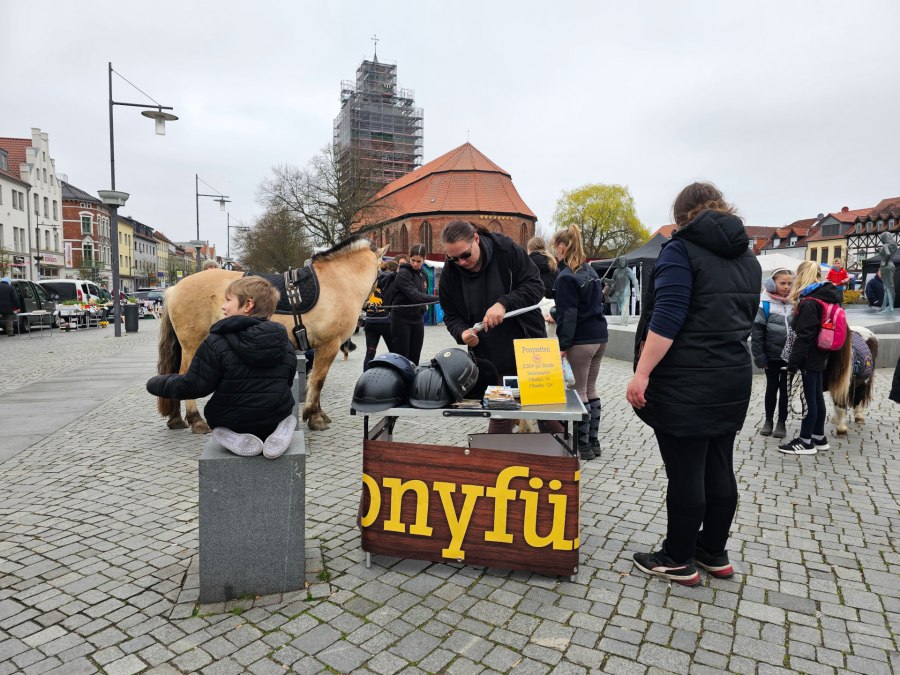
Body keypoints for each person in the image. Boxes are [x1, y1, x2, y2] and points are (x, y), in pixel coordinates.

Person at [626, 182, 760, 586]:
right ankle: (713, 550)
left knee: (686, 473)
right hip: (732, 377)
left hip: (685, 380)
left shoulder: (680, 251)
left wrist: (642, 372)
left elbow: (667, 319)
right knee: (720, 465)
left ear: (682, 214)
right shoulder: (748, 257)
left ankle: (676, 557)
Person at [146, 276, 297, 459]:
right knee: (281, 409)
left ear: (248, 305)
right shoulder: (286, 344)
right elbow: (287, 381)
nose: (223, 306)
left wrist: (157, 384)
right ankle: (281, 429)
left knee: (219, 422)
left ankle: (232, 436)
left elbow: (196, 385)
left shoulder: (216, 343)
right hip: (275, 414)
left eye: (228, 300)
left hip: (233, 420)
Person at [439, 220, 546, 433]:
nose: (461, 262)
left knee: (546, 411)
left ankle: (555, 462)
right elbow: (451, 315)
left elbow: (536, 286)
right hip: (490, 355)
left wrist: (504, 303)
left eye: (465, 255)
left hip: (529, 346)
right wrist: (462, 332)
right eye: (454, 258)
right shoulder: (450, 273)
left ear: (476, 239)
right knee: (499, 414)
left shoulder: (506, 250)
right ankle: (494, 463)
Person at [550, 225, 609, 460]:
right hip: (600, 337)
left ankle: (582, 445)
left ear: (562, 248)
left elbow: (570, 314)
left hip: (581, 341)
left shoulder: (566, 277)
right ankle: (593, 442)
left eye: (555, 248)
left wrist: (563, 345)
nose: (554, 253)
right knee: (591, 389)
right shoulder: (590, 272)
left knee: (579, 391)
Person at [778, 260, 841, 456]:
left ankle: (805, 440)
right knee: (815, 396)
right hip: (821, 354)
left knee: (808, 399)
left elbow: (804, 336)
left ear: (801, 276)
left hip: (808, 356)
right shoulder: (827, 297)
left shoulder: (809, 302)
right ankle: (818, 436)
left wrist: (793, 364)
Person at [750, 269, 794, 439]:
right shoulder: (764, 303)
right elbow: (757, 332)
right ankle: (768, 420)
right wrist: (760, 357)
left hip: (789, 356)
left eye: (789, 283)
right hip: (772, 356)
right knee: (771, 388)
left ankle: (781, 422)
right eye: (782, 283)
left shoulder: (794, 302)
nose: (786, 287)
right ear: (772, 283)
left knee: (785, 390)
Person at [391, 244, 439, 365]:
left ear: (424, 259)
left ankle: (413, 383)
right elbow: (415, 296)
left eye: (419, 261)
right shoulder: (403, 274)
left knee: (415, 358)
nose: (415, 264)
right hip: (401, 320)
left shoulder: (424, 274)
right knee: (402, 359)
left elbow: (424, 293)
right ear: (409, 257)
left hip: (417, 320)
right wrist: (441, 298)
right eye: (413, 260)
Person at [363, 259, 396, 370]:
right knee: (394, 353)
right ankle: (398, 377)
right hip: (386, 322)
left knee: (370, 353)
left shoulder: (371, 280)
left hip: (370, 321)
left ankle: (365, 376)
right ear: (394, 270)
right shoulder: (392, 279)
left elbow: (364, 303)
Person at [611, 258, 641, 325]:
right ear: (618, 262)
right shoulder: (616, 271)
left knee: (624, 307)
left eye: (623, 261)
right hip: (618, 293)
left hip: (626, 292)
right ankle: (625, 321)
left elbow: (635, 280)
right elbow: (613, 281)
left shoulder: (628, 270)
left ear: (626, 262)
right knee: (621, 308)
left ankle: (623, 323)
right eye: (620, 261)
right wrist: (605, 279)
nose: (622, 262)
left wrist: (637, 293)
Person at [878, 232, 897, 314]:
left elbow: (887, 254)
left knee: (887, 288)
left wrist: (885, 263)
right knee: (890, 287)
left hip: (885, 266)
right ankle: (884, 306)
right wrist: (880, 251)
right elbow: (888, 254)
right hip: (892, 266)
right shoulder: (893, 245)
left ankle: (891, 308)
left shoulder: (885, 245)